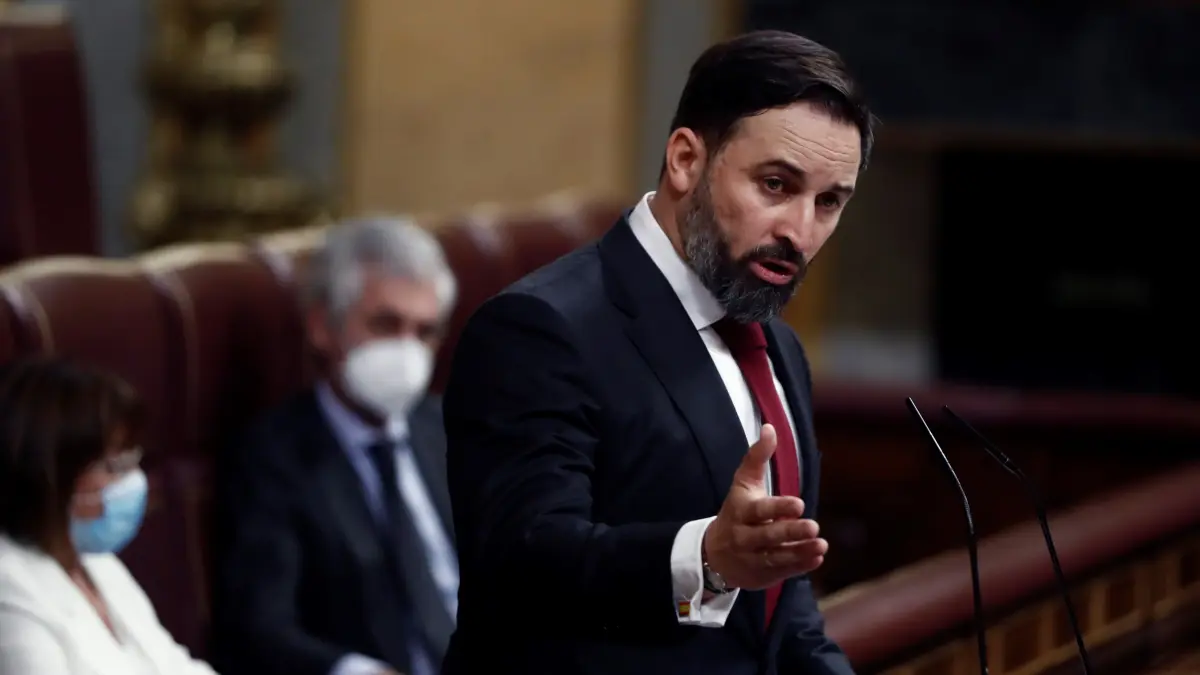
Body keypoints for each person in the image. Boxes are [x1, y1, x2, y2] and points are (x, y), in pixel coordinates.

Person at [442, 30, 874, 675]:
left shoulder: (777, 346)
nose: (800, 231)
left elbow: (782, 606)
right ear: (685, 160)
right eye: (775, 185)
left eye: (829, 201)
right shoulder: (539, 327)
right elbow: (521, 562)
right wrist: (705, 559)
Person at [211, 217, 460, 675]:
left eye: (425, 332)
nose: (408, 351)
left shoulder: (456, 427)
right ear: (323, 327)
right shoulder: (273, 458)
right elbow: (261, 627)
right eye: (386, 325)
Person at [0, 357, 217, 675]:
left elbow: (173, 664)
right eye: (114, 467)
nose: (134, 480)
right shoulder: (9, 595)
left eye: (133, 458)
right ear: (49, 479)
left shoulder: (96, 562)